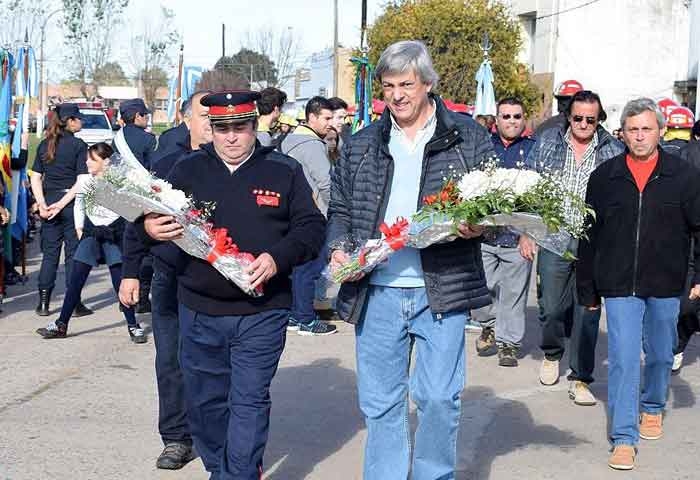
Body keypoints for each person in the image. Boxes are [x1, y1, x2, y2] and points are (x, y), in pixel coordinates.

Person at [327, 40, 494, 479]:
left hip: (442, 287)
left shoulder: (466, 138)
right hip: (377, 292)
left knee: (439, 397)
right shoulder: (361, 144)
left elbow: (495, 208)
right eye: (388, 86)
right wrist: (339, 247)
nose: (397, 95)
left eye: (407, 84)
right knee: (381, 403)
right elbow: (340, 208)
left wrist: (482, 226)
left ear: (427, 84)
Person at [139, 90, 326, 479]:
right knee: (205, 406)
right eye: (221, 128)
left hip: (263, 311)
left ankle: (236, 474)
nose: (231, 137)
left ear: (254, 125)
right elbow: (149, 218)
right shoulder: (187, 170)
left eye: (240, 127)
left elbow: (311, 228)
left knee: (248, 402)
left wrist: (277, 258)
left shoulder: (283, 169)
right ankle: (223, 469)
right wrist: (148, 227)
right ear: (211, 128)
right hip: (199, 309)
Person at [577, 97, 700, 470]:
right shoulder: (604, 177)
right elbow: (588, 234)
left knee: (662, 354)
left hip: (666, 281)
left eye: (647, 128)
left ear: (660, 131)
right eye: (633, 129)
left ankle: (652, 404)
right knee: (625, 359)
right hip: (618, 283)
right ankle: (624, 437)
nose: (640, 136)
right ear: (622, 133)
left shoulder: (684, 176)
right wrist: (588, 289)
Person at [119, 89, 212, 470]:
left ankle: (214, 431)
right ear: (185, 119)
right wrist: (129, 273)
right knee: (170, 361)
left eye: (218, 116)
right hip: (171, 277)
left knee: (212, 362)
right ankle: (176, 437)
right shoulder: (167, 163)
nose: (212, 123)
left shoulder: (240, 168)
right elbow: (138, 219)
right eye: (203, 115)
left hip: (219, 281)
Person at [526, 90, 624, 405]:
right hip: (553, 235)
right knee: (551, 306)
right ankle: (553, 352)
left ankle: (581, 377)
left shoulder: (613, 151)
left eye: (590, 119)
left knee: (588, 311)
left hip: (593, 242)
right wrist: (526, 232)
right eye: (578, 117)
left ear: (599, 121)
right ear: (569, 116)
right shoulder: (547, 142)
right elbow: (527, 187)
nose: (583, 124)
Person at [35, 142, 145, 342]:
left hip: (113, 235)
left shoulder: (119, 181)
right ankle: (61, 324)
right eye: (87, 158)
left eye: (92, 159)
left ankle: (133, 325)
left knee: (120, 281)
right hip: (90, 234)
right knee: (75, 280)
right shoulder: (85, 180)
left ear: (106, 162)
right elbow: (79, 203)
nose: (86, 162)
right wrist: (79, 228)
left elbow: (131, 209)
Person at [472, 97, 537, 367]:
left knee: (513, 293)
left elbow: (539, 197)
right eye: (506, 116)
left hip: (516, 238)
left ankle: (509, 343)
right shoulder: (482, 148)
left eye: (516, 116)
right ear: (496, 120)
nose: (511, 121)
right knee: (479, 288)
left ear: (524, 120)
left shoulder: (534, 150)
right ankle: (488, 324)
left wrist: (529, 233)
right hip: (484, 235)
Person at [30, 103, 93, 317]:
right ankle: (74, 303)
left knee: (50, 255)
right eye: (78, 118)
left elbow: (36, 177)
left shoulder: (44, 145)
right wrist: (62, 203)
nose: (81, 121)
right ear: (70, 121)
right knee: (73, 255)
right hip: (70, 203)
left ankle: (44, 303)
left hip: (49, 202)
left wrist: (42, 204)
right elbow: (82, 180)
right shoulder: (78, 145)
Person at [281, 96, 337, 335]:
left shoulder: (287, 141)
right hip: (314, 215)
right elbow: (326, 183)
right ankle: (304, 317)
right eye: (326, 118)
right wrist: (337, 210)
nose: (330, 123)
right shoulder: (312, 145)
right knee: (310, 267)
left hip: (291, 213)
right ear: (311, 117)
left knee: (296, 267)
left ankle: (295, 315)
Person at [114, 98, 157, 314]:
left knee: (127, 249)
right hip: (143, 198)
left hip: (121, 198)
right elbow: (153, 171)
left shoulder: (115, 140)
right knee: (146, 250)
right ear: (138, 116)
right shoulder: (149, 140)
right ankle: (142, 296)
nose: (147, 118)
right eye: (145, 115)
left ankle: (126, 293)